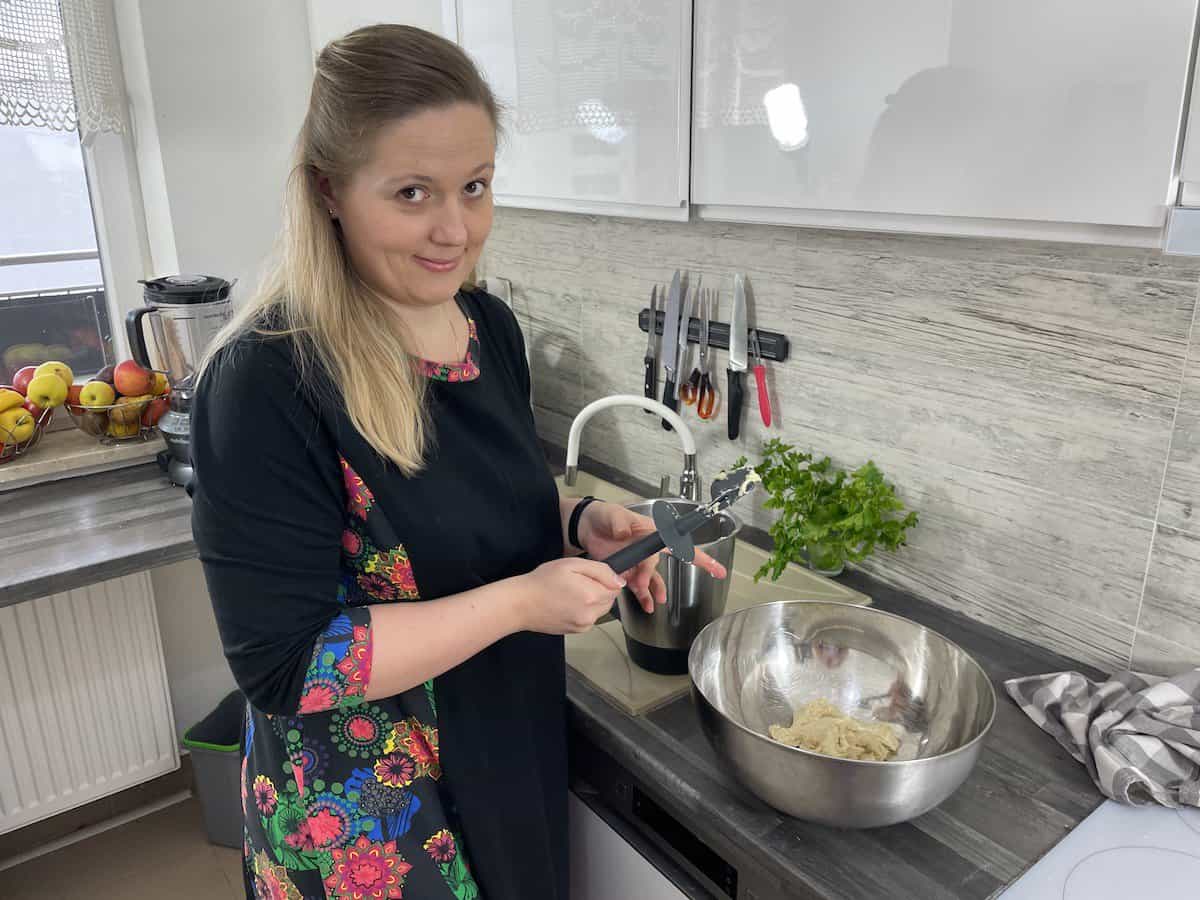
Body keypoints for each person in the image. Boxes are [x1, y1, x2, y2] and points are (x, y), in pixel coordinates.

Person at [189, 24, 725, 900]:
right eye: (412, 193)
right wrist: (522, 600)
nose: (455, 228)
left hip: (502, 736)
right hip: (370, 813)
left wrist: (579, 522)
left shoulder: (488, 327)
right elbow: (286, 666)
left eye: (475, 186)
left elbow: (467, 498)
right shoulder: (269, 377)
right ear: (330, 190)